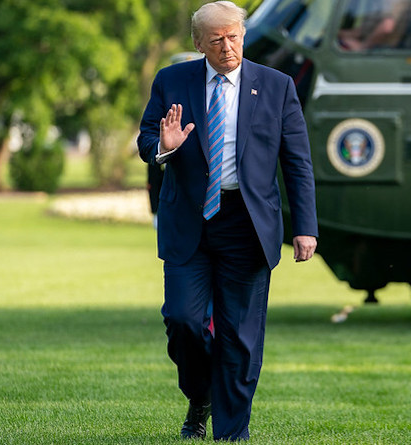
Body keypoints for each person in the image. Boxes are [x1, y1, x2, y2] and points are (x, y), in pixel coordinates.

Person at [136, 1, 318, 441]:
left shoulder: (276, 87)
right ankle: (200, 397)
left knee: (239, 337)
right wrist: (164, 146)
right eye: (215, 39)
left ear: (244, 36)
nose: (226, 46)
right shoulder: (172, 80)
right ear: (198, 43)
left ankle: (232, 434)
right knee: (182, 319)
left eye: (233, 36)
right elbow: (145, 141)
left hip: (248, 224)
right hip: (189, 223)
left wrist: (305, 226)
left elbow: (296, 162)